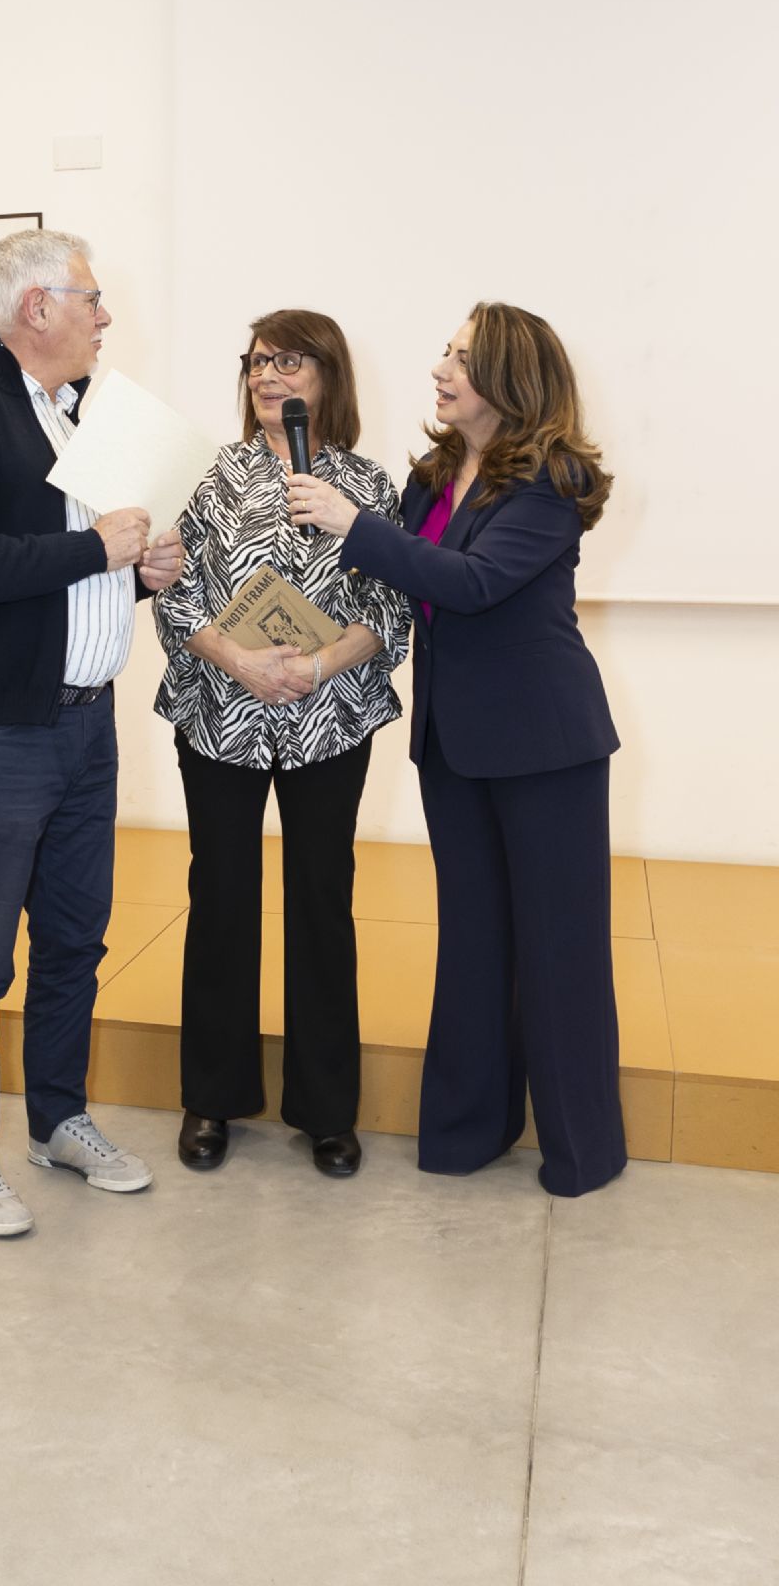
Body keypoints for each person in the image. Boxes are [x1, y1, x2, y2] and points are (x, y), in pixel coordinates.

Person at [288, 301, 626, 1198]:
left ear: (511, 377)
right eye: (446, 351)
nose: (442, 369)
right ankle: (467, 1133)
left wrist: (354, 527)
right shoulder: (434, 475)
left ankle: (583, 1151)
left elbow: (474, 584)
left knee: (558, 950)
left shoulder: (551, 479)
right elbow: (400, 579)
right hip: (452, 741)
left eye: (464, 358)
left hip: (544, 745)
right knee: (475, 941)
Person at [0, 228, 184, 1239]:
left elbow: (71, 574)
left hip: (84, 723)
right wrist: (93, 548)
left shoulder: (74, 412)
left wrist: (138, 574)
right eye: (91, 300)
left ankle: (58, 1119)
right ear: (35, 309)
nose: (104, 318)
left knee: (73, 940)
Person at [152, 311, 409, 1177]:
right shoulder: (208, 475)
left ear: (328, 374)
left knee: (321, 904)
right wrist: (242, 662)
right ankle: (211, 1098)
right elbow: (176, 595)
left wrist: (316, 665)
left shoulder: (367, 483)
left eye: (288, 362)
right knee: (221, 900)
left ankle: (326, 1110)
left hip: (329, 718)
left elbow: (390, 607)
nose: (267, 376)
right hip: (220, 714)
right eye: (258, 362)